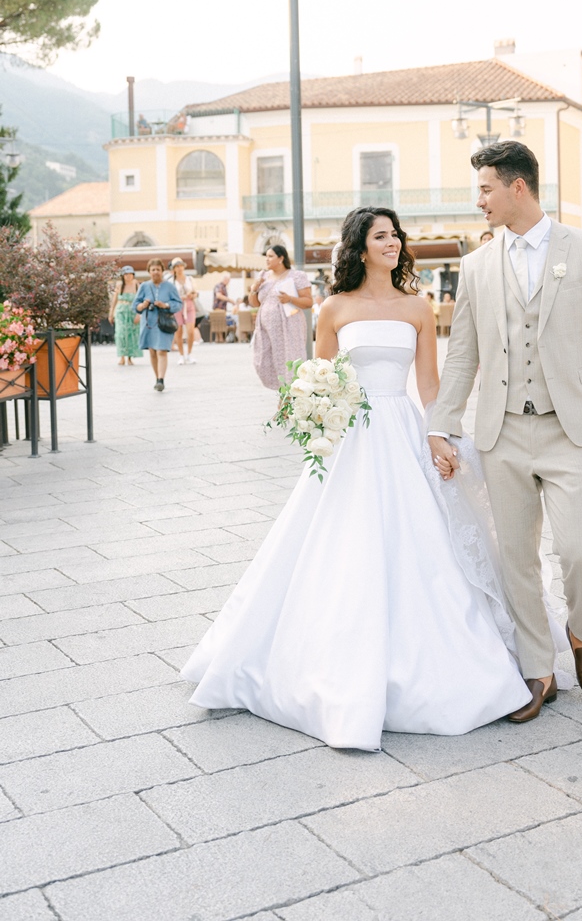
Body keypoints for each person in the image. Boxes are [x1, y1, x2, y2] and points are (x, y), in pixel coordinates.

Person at [182, 206, 549, 751]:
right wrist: (316, 422)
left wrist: (440, 434)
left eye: (396, 234)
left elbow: (429, 385)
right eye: (382, 236)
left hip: (402, 430)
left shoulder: (417, 307)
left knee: (422, 542)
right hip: (352, 439)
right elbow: (321, 380)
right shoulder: (332, 308)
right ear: (359, 247)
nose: (393, 242)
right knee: (339, 545)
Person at [429, 141, 582, 722]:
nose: (479, 200)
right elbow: (462, 355)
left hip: (569, 428)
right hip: (500, 432)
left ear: (516, 187)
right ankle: (538, 669)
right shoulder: (475, 265)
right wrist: (441, 425)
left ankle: (580, 634)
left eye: (485, 189)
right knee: (516, 556)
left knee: (579, 551)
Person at [249, 245, 312, 389]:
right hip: (266, 329)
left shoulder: (296, 276)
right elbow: (254, 303)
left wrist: (290, 299)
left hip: (289, 326)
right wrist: (254, 288)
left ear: (281, 258)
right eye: (266, 256)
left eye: (270, 256)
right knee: (264, 360)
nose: (267, 259)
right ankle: (282, 391)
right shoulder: (263, 277)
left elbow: (308, 302)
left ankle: (288, 396)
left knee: (289, 358)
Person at [132, 259, 182, 391]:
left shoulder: (170, 287)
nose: (155, 272)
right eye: (153, 270)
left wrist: (165, 305)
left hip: (164, 322)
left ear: (162, 271)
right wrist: (143, 305)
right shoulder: (144, 286)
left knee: (161, 350)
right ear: (149, 271)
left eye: (158, 270)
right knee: (153, 351)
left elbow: (178, 304)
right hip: (149, 322)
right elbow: (135, 305)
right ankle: (157, 378)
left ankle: (161, 379)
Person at [108, 266, 141, 366]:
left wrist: (139, 314)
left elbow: (140, 300)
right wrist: (111, 313)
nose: (128, 276)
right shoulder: (120, 285)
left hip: (132, 311)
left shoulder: (136, 284)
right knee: (121, 334)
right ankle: (122, 357)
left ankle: (130, 357)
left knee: (132, 334)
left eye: (130, 274)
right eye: (126, 274)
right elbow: (115, 300)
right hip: (121, 311)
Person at [169, 258, 198, 365]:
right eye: (177, 266)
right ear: (174, 269)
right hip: (177, 306)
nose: (179, 268)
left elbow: (196, 293)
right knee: (178, 331)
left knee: (190, 331)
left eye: (181, 266)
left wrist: (192, 295)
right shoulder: (171, 281)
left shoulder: (189, 279)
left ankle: (189, 354)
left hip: (189, 304)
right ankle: (181, 355)